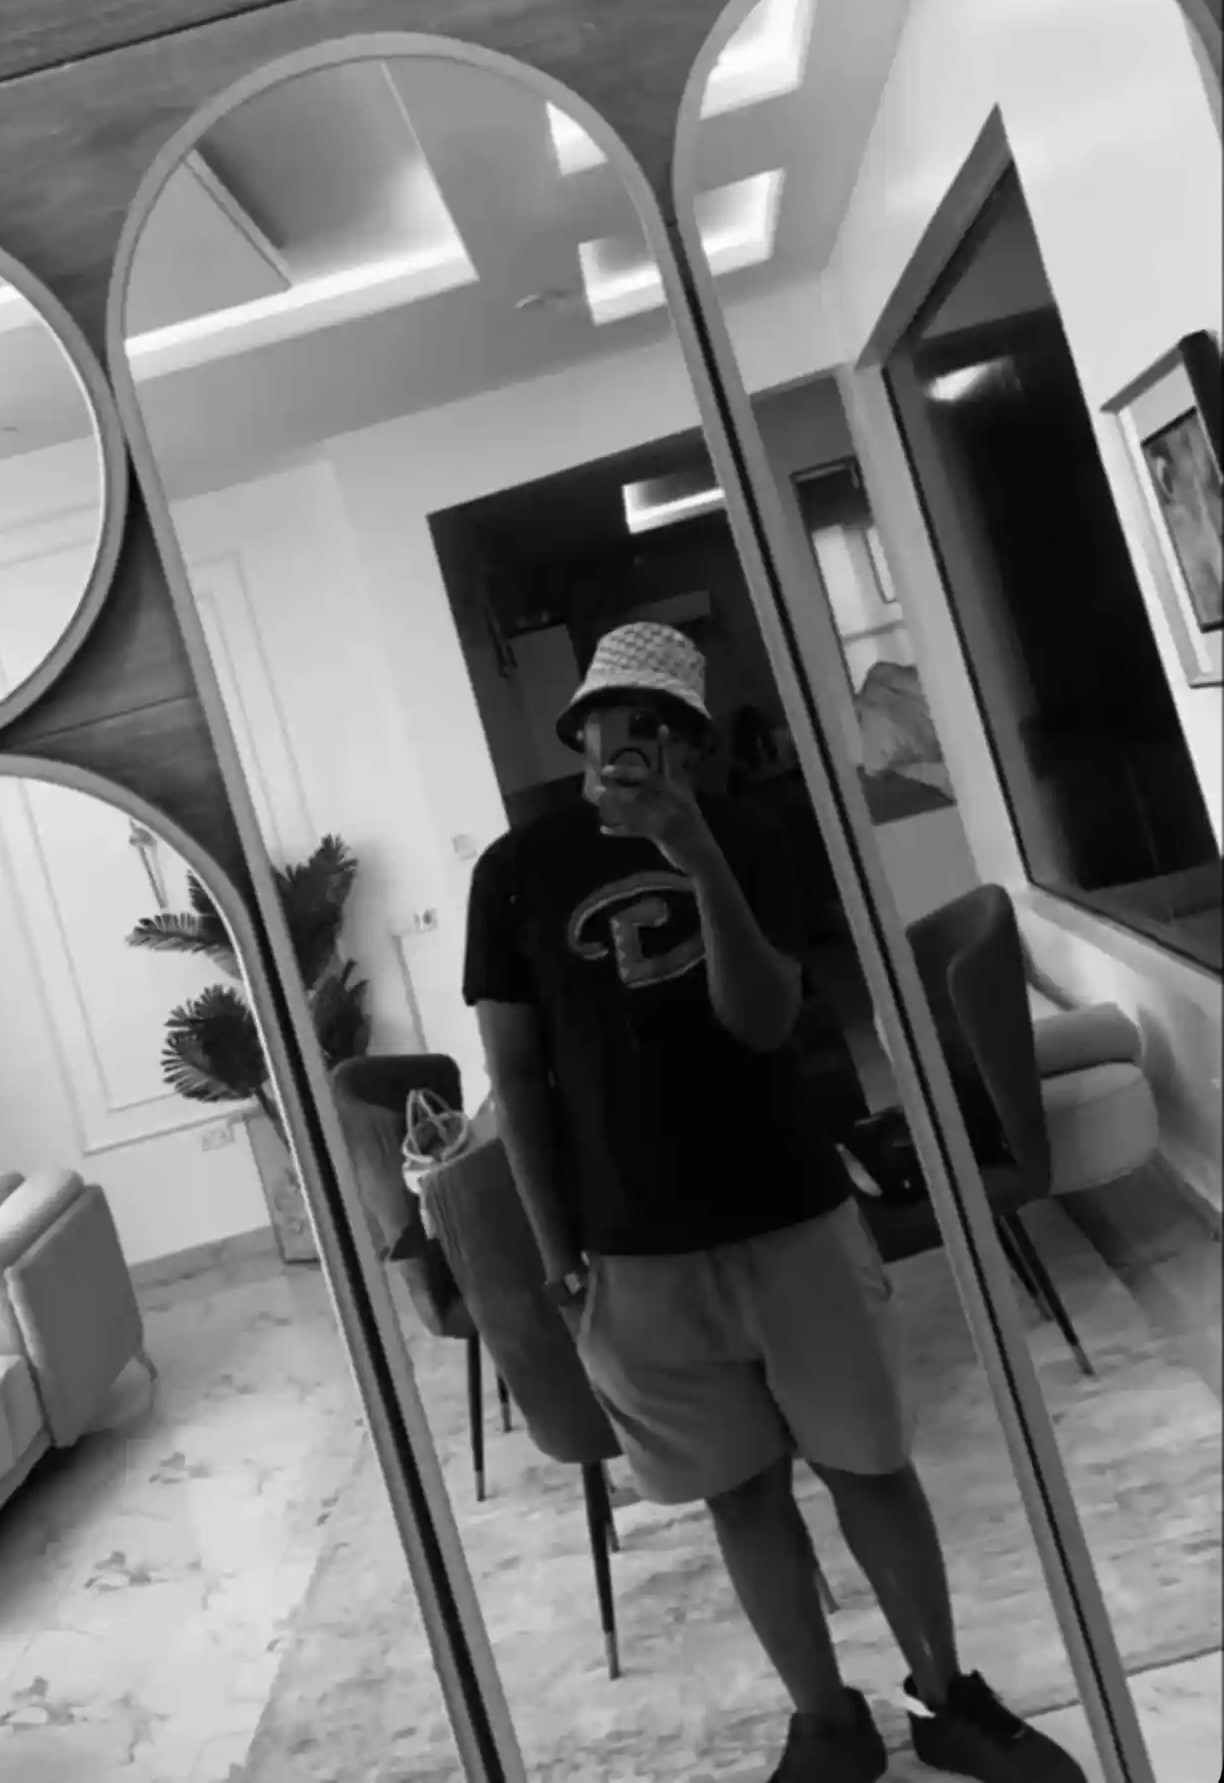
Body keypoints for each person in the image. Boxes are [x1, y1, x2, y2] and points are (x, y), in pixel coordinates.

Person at [463, 622, 1086, 1783]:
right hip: (632, 1250)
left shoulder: (748, 834)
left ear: (694, 742)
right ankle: (826, 1722)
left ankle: (945, 1696)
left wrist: (698, 856)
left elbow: (759, 1020)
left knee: (871, 1466)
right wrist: (559, 1259)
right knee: (739, 1499)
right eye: (611, 722)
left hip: (794, 1214)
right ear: (579, 732)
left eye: (660, 725)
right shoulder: (511, 872)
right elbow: (513, 1073)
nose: (632, 744)